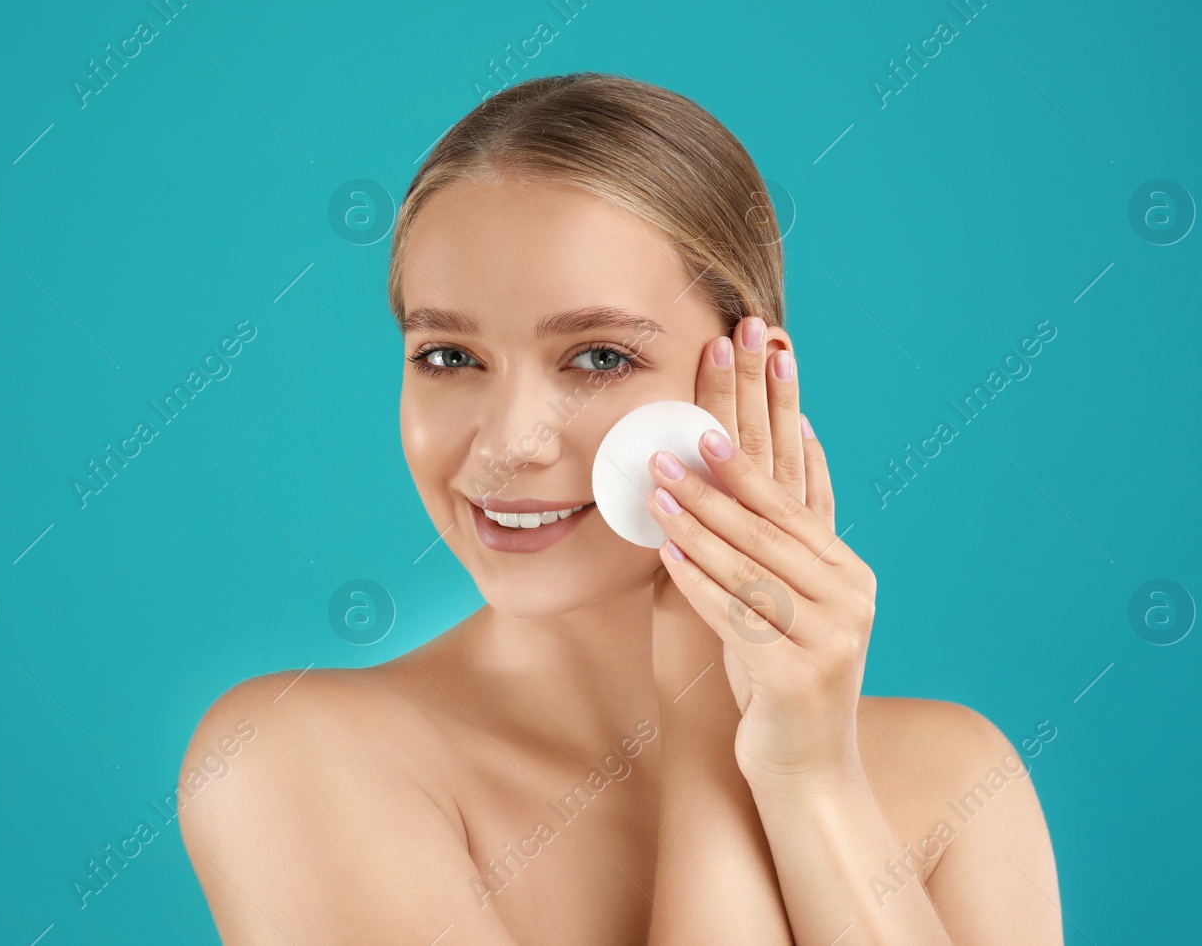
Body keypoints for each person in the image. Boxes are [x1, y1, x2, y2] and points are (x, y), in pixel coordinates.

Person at [179, 72, 1061, 945]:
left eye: (597, 357)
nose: (510, 443)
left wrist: (810, 777)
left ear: (750, 381)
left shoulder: (955, 777)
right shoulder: (292, 762)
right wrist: (711, 711)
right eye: (448, 356)